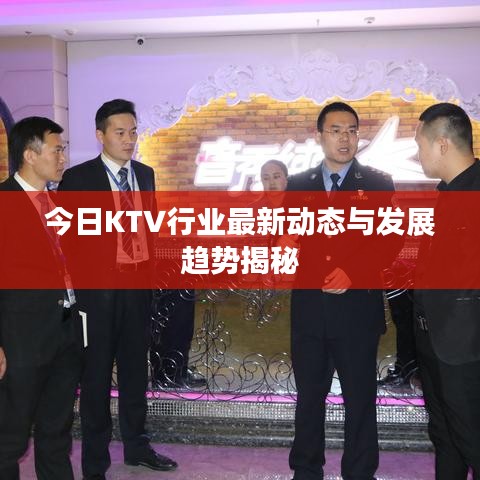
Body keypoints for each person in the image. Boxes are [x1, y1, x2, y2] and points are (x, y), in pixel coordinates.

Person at [59, 99, 177, 479]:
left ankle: (137, 447)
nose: (129, 140)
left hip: (137, 290)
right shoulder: (78, 179)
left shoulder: (145, 174)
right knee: (95, 378)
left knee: (134, 373)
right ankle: (95, 462)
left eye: (133, 132)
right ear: (100, 135)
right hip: (96, 297)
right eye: (120, 132)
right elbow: (67, 242)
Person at [286, 102, 397, 480]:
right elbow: (287, 237)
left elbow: (390, 240)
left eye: (351, 130)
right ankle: (306, 469)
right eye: (336, 130)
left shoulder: (378, 183)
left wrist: (354, 272)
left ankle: (360, 472)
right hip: (310, 312)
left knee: (360, 399)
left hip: (356, 313)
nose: (345, 138)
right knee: (309, 398)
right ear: (319, 135)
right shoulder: (299, 184)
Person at [0, 116, 82, 479]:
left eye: (63, 150)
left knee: (56, 431)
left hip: (64, 333)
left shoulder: (57, 204)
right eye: (56, 150)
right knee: (9, 437)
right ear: (30, 155)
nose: (63, 158)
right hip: (19, 339)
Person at [413, 102, 480, 479]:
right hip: (435, 344)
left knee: (473, 440)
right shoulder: (446, 194)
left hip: (467, 348)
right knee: (446, 438)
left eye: (420, 145)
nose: (418, 154)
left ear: (441, 144)